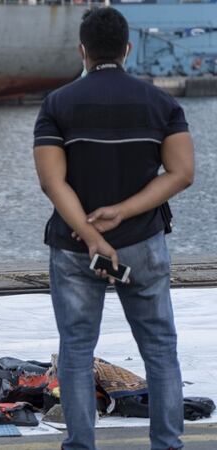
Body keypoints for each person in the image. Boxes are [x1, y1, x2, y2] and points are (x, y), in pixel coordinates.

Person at [32, 8, 194, 450]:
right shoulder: (162, 104)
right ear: (127, 49)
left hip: (73, 247)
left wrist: (92, 236)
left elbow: (52, 181)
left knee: (77, 351)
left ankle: (81, 444)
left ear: (82, 51)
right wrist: (122, 212)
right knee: (160, 349)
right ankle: (167, 444)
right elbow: (181, 173)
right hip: (143, 243)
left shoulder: (58, 103)